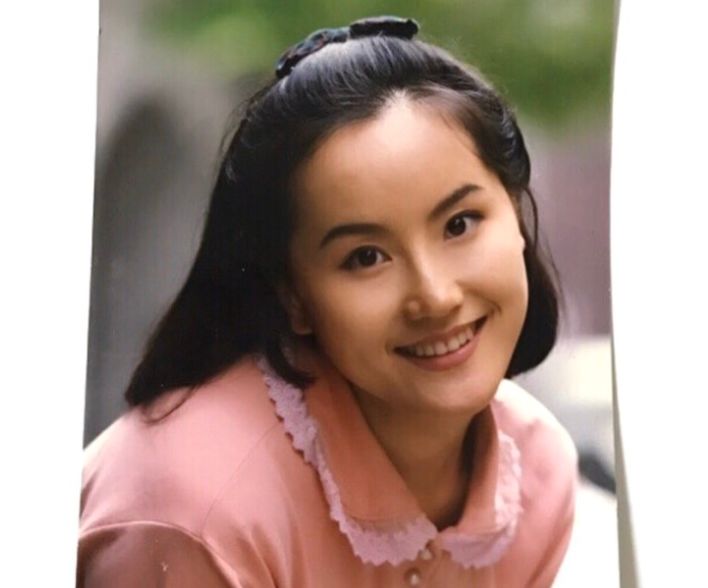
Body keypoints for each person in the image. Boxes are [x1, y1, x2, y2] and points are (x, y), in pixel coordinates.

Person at [77, 16, 577, 587]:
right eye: (365, 257)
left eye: (459, 224)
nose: (435, 296)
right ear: (292, 295)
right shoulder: (198, 513)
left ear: (516, 213)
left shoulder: (535, 479)